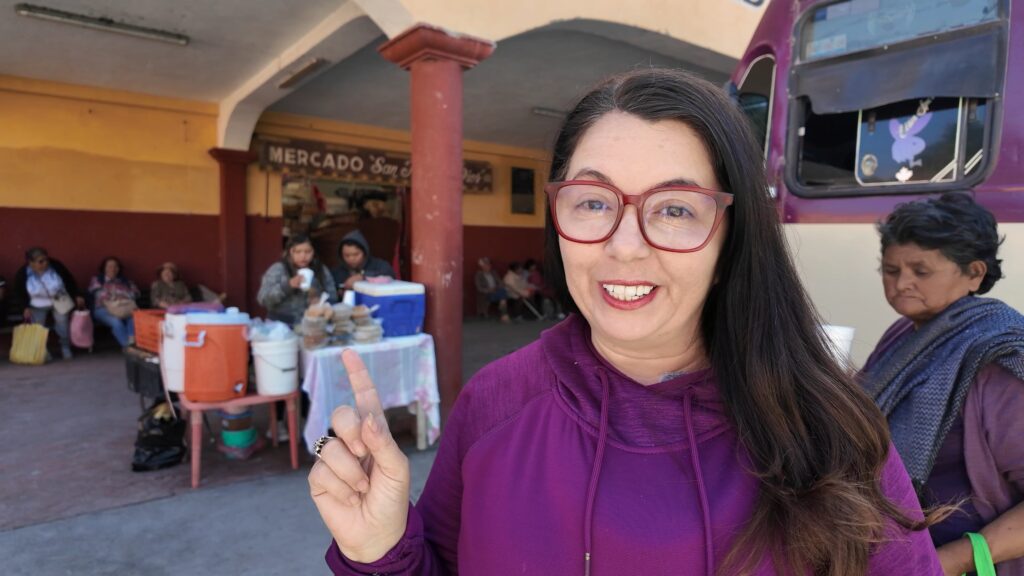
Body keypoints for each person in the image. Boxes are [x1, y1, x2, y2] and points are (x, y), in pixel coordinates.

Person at [308, 69, 943, 575]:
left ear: (732, 240)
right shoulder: (495, 402)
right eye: (592, 202)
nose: (626, 246)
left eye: (674, 210)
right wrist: (381, 550)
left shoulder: (827, 429)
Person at [859, 192, 1024, 575]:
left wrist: (949, 561)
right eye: (891, 269)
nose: (902, 284)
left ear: (974, 274)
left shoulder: (997, 357)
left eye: (921, 271)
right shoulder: (904, 335)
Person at [13, 247, 85, 359]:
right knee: (38, 328)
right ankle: (43, 350)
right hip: (37, 304)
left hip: (60, 300)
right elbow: (18, 292)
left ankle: (65, 347)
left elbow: (69, 280)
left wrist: (77, 294)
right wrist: (24, 307)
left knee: (62, 323)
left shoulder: (56, 266)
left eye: (46, 260)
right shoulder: (23, 273)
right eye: (40, 261)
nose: (45, 263)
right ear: (31, 263)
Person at [257, 233, 338, 327]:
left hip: (313, 325)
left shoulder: (321, 270)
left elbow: (333, 298)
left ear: (314, 252)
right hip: (280, 325)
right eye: (297, 252)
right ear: (289, 252)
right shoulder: (278, 269)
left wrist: (320, 302)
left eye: (308, 251)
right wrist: (288, 286)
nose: (303, 256)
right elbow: (263, 299)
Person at [89, 257, 140, 348]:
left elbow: (136, 293)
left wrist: (123, 297)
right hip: (103, 309)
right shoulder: (97, 280)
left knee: (133, 319)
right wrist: (118, 296)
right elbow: (99, 295)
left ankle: (132, 342)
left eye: (115, 266)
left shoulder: (126, 281)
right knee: (116, 322)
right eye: (109, 266)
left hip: (123, 309)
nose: (112, 269)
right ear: (104, 268)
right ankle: (128, 348)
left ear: (118, 269)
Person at [331, 230, 396, 296]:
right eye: (347, 255)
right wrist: (339, 293)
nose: (351, 259)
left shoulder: (379, 265)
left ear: (365, 252)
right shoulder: (337, 272)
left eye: (356, 254)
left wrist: (363, 276)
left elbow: (389, 274)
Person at [473, 257, 511, 323]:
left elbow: (500, 283)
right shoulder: (479, 275)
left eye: (489, 265)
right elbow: (479, 288)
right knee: (503, 296)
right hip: (487, 293)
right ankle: (504, 315)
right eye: (485, 265)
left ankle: (504, 315)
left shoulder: (494, 273)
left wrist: (495, 288)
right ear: (482, 266)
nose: (488, 266)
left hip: (496, 291)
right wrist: (488, 290)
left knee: (502, 293)